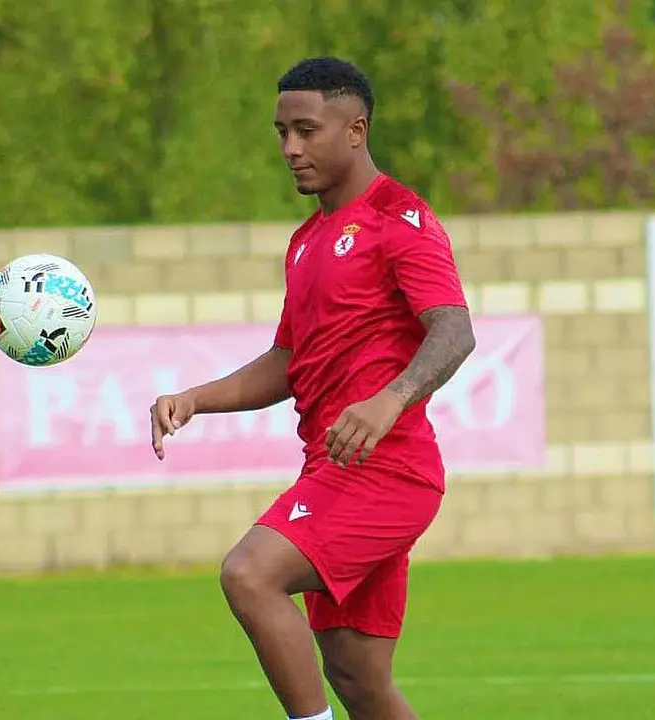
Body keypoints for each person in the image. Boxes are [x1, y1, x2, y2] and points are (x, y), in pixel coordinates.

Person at [149, 56, 476, 720]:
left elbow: (453, 331)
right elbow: (288, 361)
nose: (290, 149)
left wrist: (391, 397)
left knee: (249, 573)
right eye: (280, 132)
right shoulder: (306, 241)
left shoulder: (399, 217)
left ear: (354, 129)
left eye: (306, 130)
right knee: (358, 678)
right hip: (334, 468)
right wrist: (195, 399)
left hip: (388, 472)